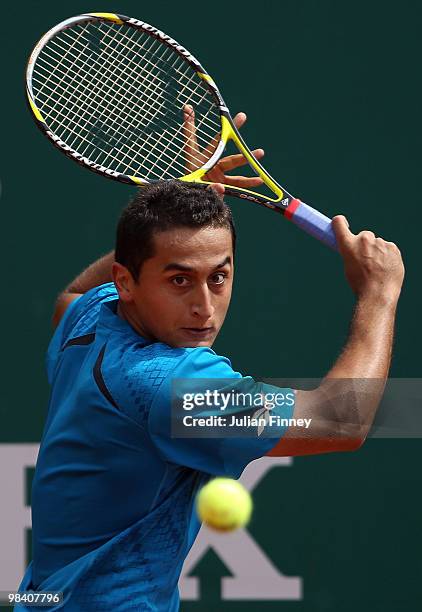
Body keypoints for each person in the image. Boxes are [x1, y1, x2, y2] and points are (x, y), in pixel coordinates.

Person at [16, 111, 404, 611]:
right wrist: (379, 294)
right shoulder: (169, 389)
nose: (204, 306)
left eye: (218, 276)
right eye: (179, 279)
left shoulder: (95, 315)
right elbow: (341, 419)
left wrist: (168, 219)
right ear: (126, 280)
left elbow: (68, 298)